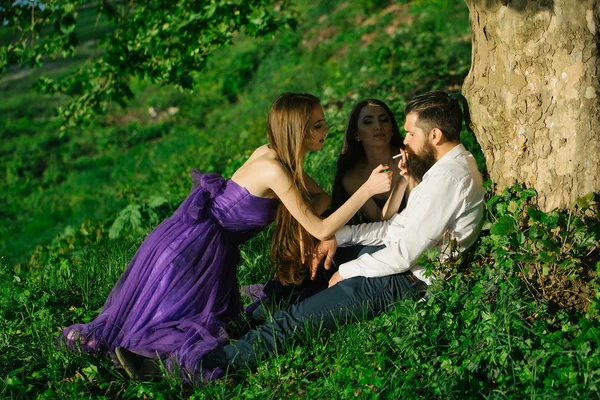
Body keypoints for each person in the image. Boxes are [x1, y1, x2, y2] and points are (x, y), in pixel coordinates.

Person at [60, 93, 393, 382]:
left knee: (187, 317)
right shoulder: (273, 168)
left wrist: (307, 216)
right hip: (192, 249)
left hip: (206, 244)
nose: (326, 131)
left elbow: (320, 199)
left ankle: (144, 360)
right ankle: (150, 363)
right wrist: (366, 190)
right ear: (299, 130)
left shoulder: (278, 157)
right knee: (172, 320)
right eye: (318, 125)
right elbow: (320, 226)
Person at [195, 89, 486, 371]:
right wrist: (336, 238)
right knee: (313, 263)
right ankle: (238, 324)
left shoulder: (448, 179)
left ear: (434, 135)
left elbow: (405, 254)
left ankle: (209, 366)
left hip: (405, 280)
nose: (405, 140)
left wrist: (348, 271)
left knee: (293, 320)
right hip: (395, 260)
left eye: (410, 133)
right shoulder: (441, 170)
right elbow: (396, 227)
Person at [250, 99, 412, 312]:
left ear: (393, 128)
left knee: (331, 242)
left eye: (384, 120)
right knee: (322, 241)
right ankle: (278, 294)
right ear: (356, 134)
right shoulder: (353, 176)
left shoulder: (410, 158)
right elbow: (379, 218)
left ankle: (289, 296)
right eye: (368, 122)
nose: (378, 127)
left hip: (404, 237)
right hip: (377, 233)